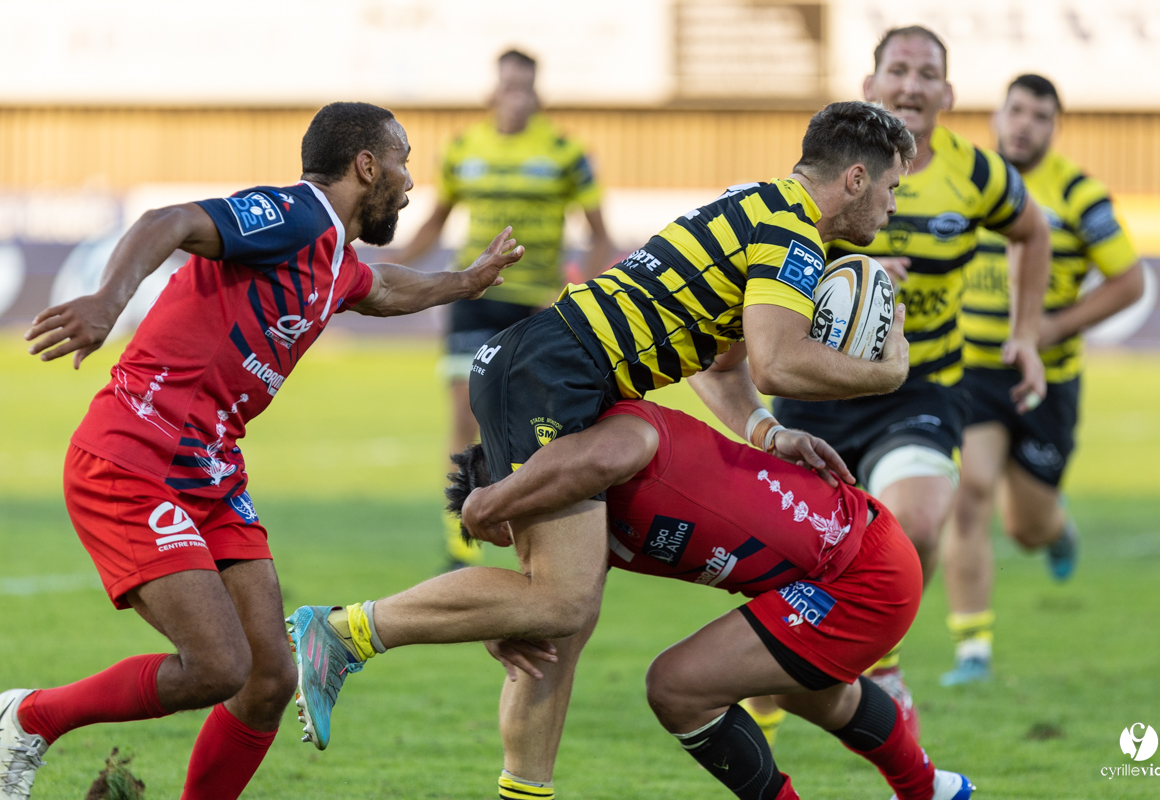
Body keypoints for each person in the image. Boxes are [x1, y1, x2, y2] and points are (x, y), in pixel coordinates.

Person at [286, 100, 917, 766]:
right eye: (891, 187)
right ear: (855, 178)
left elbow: (720, 361)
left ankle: (524, 782)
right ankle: (343, 633)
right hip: (557, 371)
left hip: (547, 365)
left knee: (559, 624)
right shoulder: (791, 233)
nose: (891, 206)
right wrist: (888, 373)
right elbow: (779, 363)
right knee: (560, 600)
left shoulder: (758, 204)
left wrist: (765, 430)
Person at [0, 102, 523, 800]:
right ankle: (27, 718)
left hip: (211, 467)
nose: (410, 180)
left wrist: (466, 281)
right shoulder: (293, 215)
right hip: (137, 455)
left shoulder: (333, 256)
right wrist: (106, 301)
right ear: (367, 166)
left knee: (270, 677)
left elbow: (383, 289)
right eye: (403, 160)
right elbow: (168, 221)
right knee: (218, 667)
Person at [452, 399, 976, 800]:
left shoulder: (609, 447)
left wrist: (487, 511)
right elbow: (557, 604)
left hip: (860, 571)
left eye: (517, 527)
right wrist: (514, 614)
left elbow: (621, 446)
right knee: (806, 693)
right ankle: (929, 788)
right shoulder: (584, 518)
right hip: (842, 559)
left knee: (677, 686)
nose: (527, 547)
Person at [768, 25, 1051, 736]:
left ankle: (883, 660)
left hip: (919, 387)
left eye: (927, 74)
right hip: (818, 388)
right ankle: (758, 713)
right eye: (898, 70)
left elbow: (1032, 232)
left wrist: (1025, 333)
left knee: (918, 523)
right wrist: (853, 273)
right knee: (784, 562)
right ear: (870, 85)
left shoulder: (977, 174)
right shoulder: (828, 167)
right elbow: (777, 255)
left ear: (947, 93)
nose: (911, 86)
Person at [940, 75, 1145, 685]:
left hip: (1046, 380)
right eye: (1017, 111)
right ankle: (972, 649)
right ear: (996, 116)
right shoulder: (966, 180)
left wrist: (1055, 327)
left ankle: (1057, 530)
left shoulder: (1080, 196)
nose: (1025, 125)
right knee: (969, 491)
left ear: (1055, 127)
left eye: (1040, 116)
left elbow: (1129, 281)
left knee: (1025, 529)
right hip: (973, 370)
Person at [394, 48, 612, 570]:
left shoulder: (565, 152)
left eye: (525, 87)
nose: (516, 96)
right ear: (491, 91)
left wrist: (574, 290)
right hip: (474, 297)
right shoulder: (463, 148)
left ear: (539, 94)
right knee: (464, 414)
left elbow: (600, 236)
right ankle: (458, 543)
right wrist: (387, 270)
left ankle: (536, 533)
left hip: (535, 305)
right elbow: (435, 221)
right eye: (508, 85)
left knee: (535, 427)